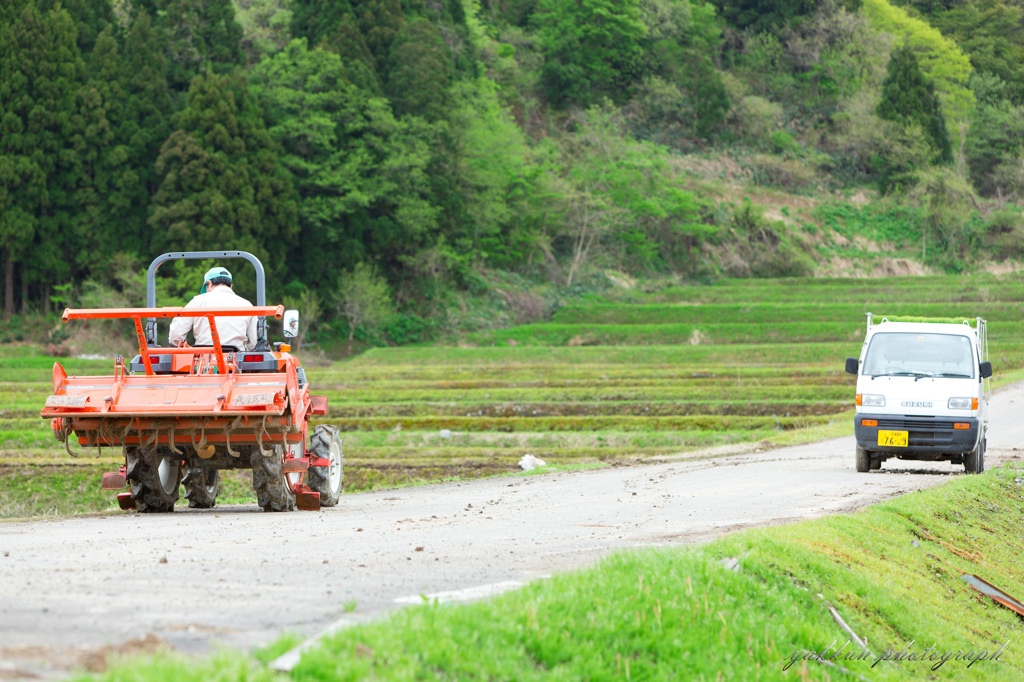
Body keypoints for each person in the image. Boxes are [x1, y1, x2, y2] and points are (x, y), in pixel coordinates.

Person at [168, 266, 258, 351]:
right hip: (235, 357)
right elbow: (254, 342)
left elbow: (176, 333)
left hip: (203, 358)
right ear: (230, 286)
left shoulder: (198, 301)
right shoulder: (247, 305)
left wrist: (181, 343)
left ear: (209, 284)